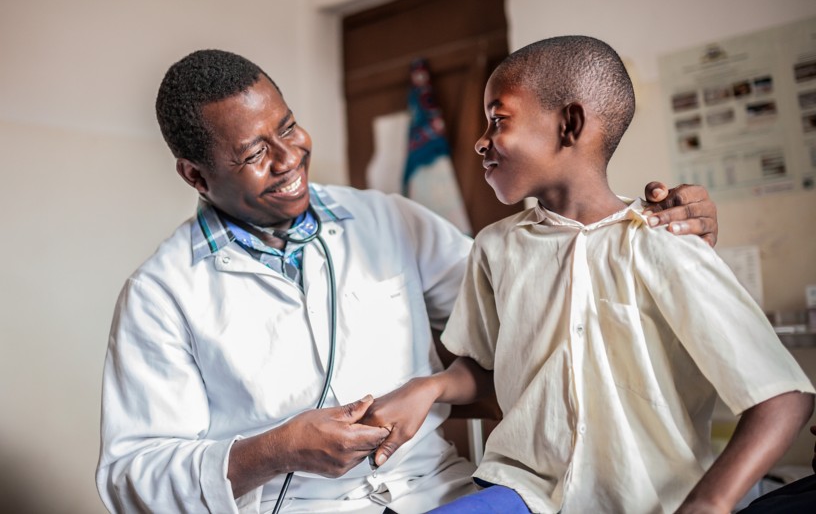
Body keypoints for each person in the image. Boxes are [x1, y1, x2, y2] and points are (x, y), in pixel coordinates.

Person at [96, 48, 721, 514]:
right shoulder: (161, 294)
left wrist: (650, 238)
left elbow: (540, 302)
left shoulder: (390, 220)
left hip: (438, 493)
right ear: (196, 176)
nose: (289, 159)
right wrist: (278, 450)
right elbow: (130, 475)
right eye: (255, 153)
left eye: (287, 127)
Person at [359, 37, 815, 514]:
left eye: (498, 119)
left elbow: (782, 397)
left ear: (570, 125)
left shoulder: (664, 242)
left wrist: (710, 502)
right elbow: (486, 368)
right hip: (527, 492)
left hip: (648, 500)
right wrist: (429, 387)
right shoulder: (495, 247)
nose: (480, 140)